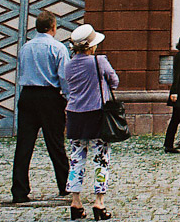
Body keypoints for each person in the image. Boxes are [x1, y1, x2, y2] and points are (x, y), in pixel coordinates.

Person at [11, 11, 70, 204]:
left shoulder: (25, 48)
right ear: (53, 27)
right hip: (49, 97)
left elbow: (21, 69)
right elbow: (64, 77)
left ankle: (19, 190)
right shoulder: (58, 48)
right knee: (55, 143)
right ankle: (65, 186)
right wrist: (69, 98)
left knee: (24, 145)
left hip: (27, 95)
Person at [64, 24, 119, 221]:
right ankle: (99, 201)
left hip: (75, 115)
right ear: (90, 47)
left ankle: (75, 201)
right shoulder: (99, 61)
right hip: (96, 114)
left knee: (76, 158)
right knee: (101, 158)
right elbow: (115, 81)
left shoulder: (69, 64)